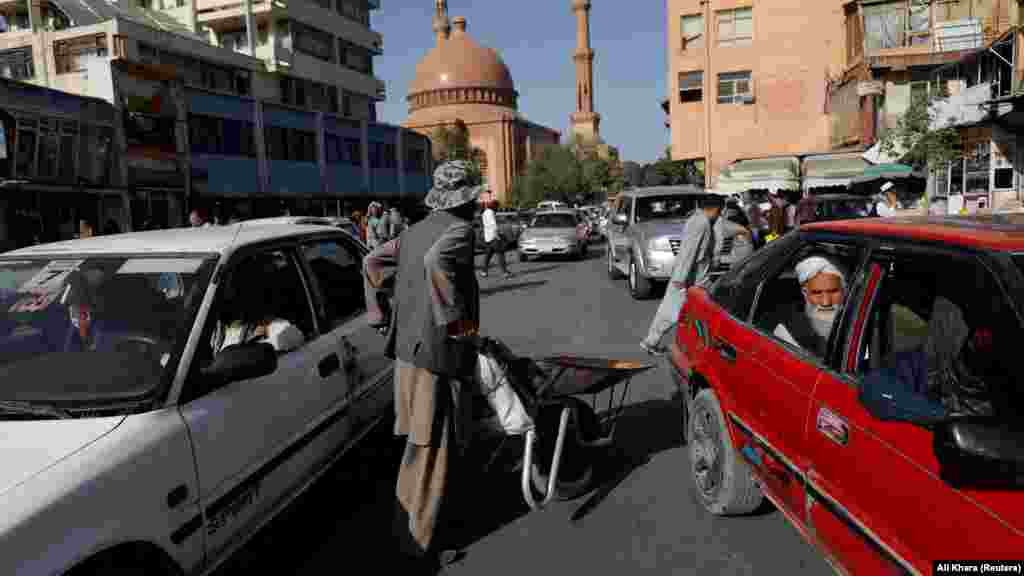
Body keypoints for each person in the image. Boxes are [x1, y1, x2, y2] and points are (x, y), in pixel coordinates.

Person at [363, 160, 482, 571]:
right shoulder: (460, 230)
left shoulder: (412, 232)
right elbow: (436, 264)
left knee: (419, 445)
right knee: (434, 448)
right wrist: (456, 325)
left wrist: (379, 316)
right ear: (466, 199)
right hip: (436, 357)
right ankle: (418, 544)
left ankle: (410, 529)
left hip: (407, 355)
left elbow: (372, 263)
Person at [640, 194, 724, 356]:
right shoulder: (701, 223)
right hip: (690, 277)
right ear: (715, 209)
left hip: (691, 275)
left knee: (683, 311)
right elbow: (689, 251)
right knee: (674, 310)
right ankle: (652, 341)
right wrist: (681, 277)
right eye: (720, 211)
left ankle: (653, 341)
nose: (720, 214)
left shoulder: (699, 220)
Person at [773, 255, 847, 357]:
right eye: (817, 293)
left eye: (833, 291)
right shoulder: (789, 332)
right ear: (805, 293)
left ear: (844, 291)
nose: (826, 302)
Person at [479, 200, 511, 279]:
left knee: (488, 256)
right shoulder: (491, 213)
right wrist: (498, 236)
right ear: (494, 206)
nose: (497, 208)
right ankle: (504, 272)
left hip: (487, 237)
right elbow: (494, 225)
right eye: (497, 207)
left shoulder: (484, 213)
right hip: (494, 237)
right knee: (500, 254)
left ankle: (484, 272)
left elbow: (484, 225)